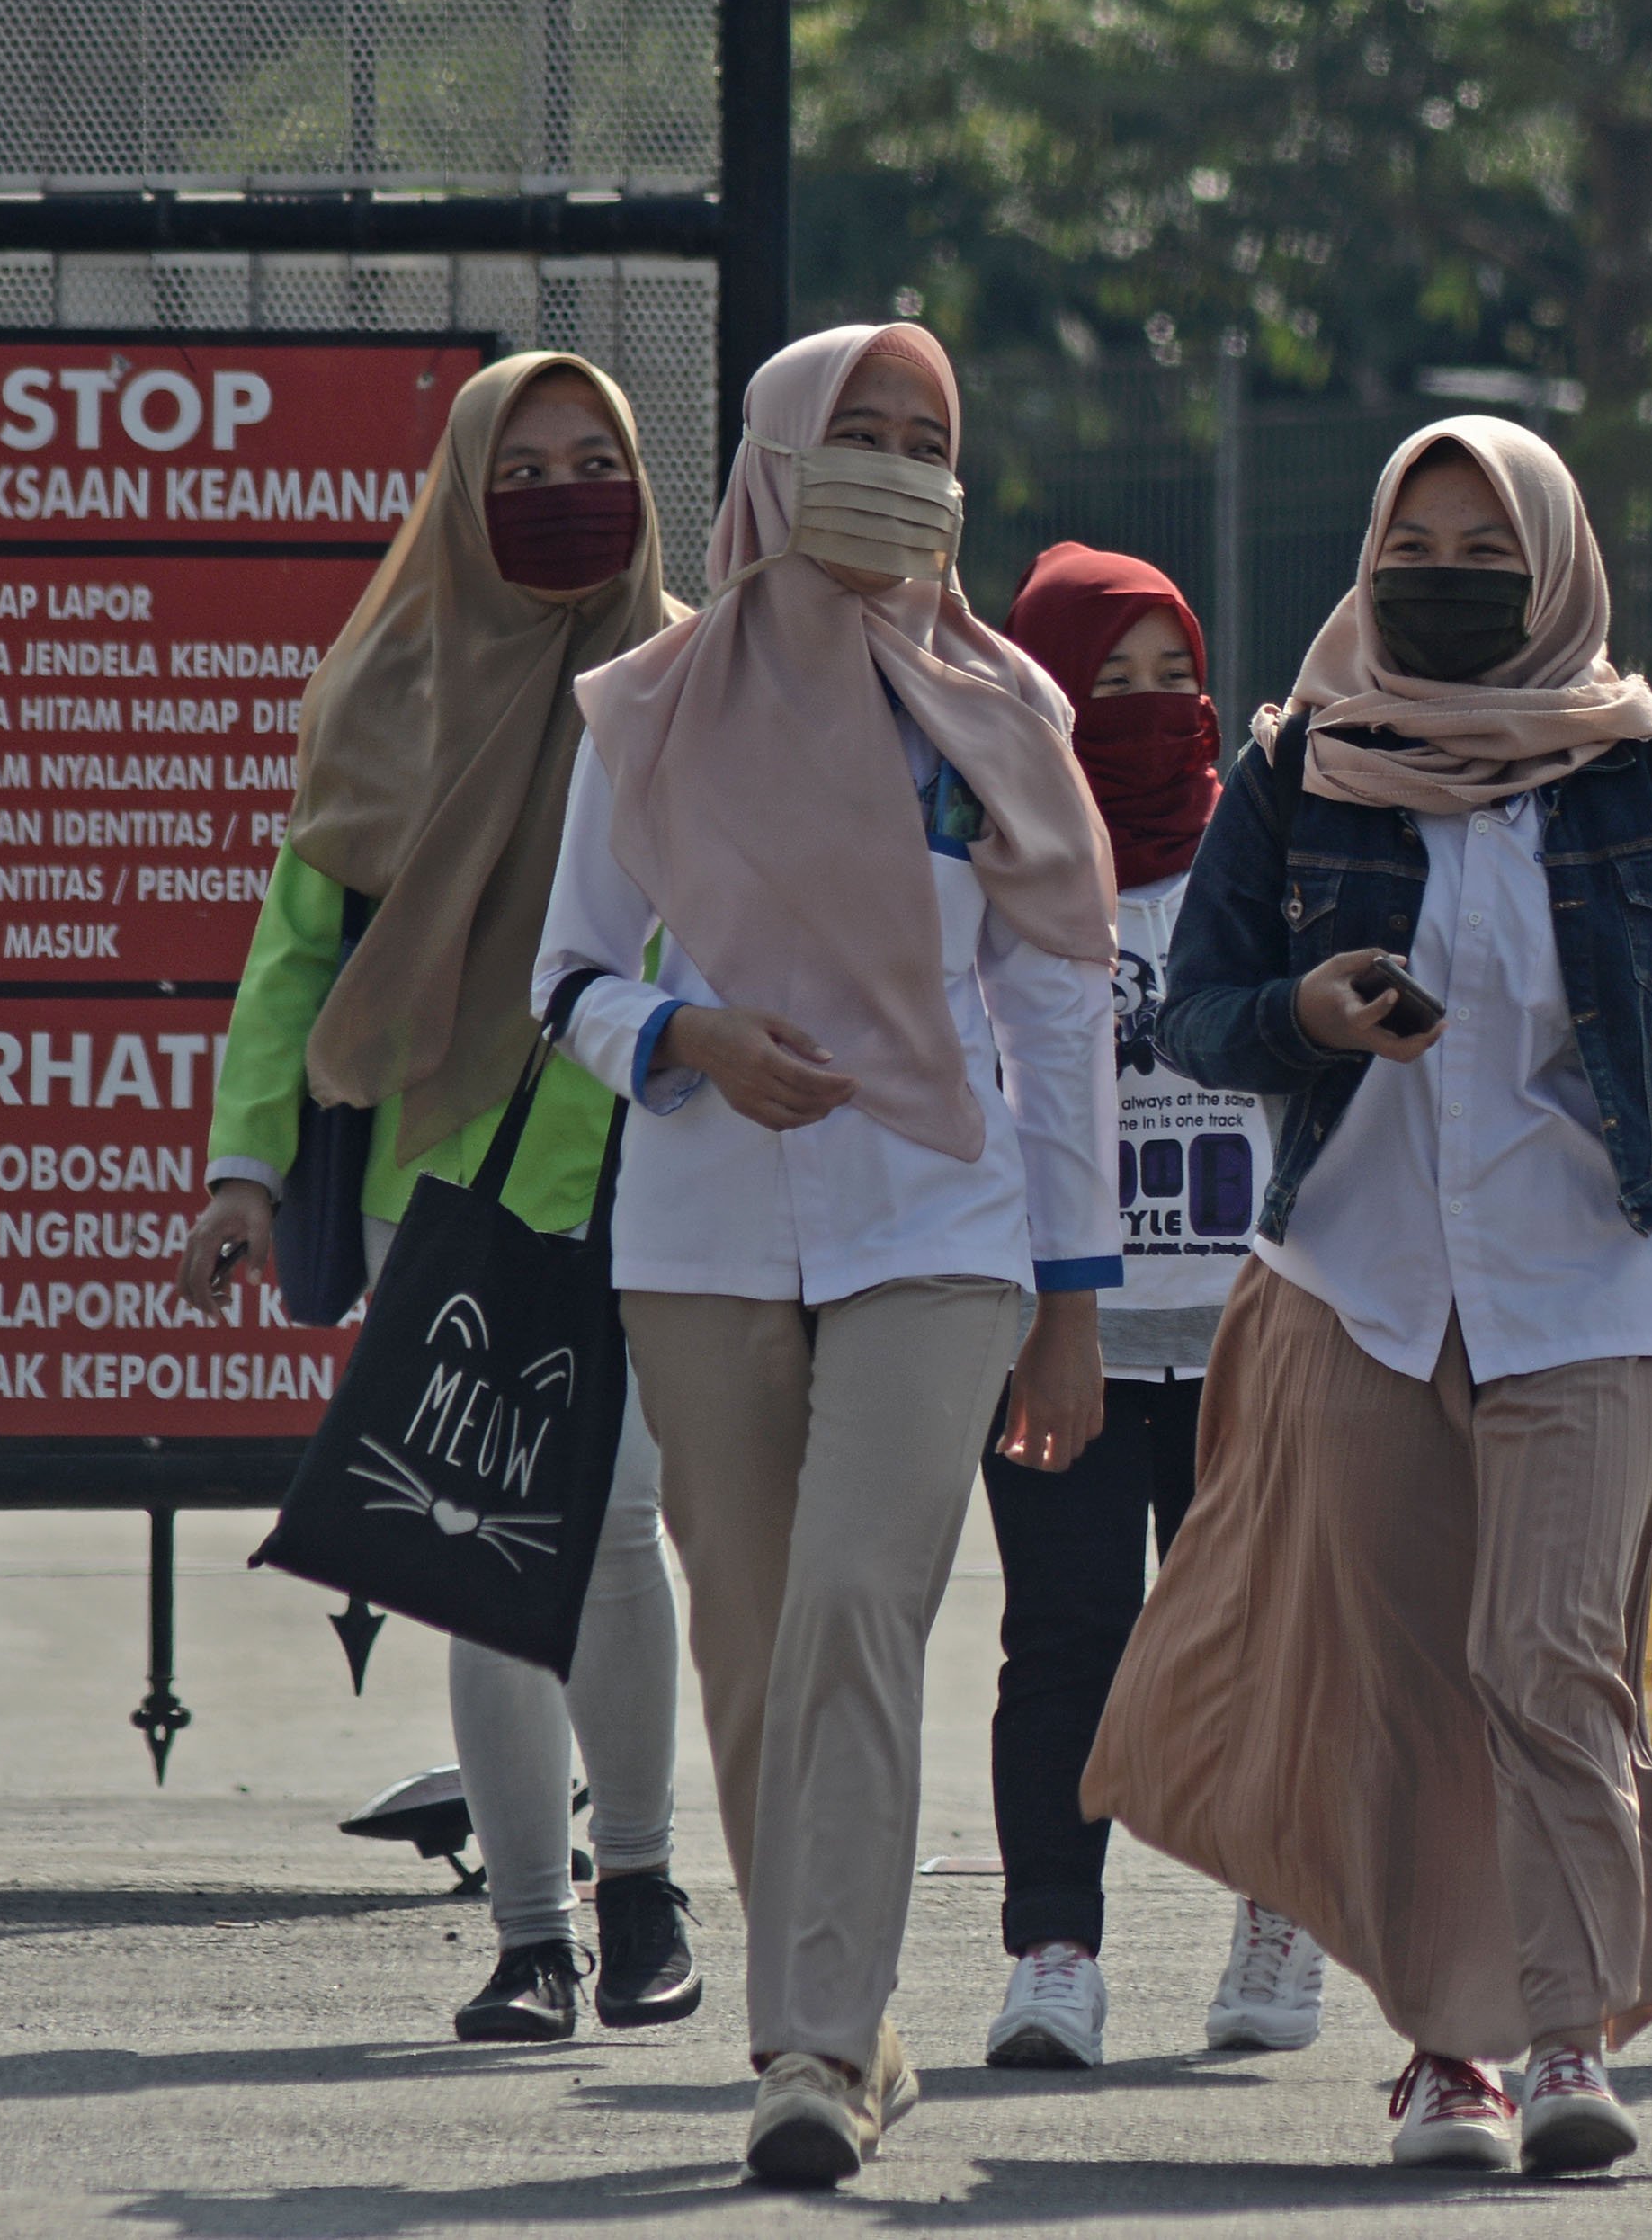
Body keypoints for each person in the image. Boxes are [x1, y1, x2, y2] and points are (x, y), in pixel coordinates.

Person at [1084, 415, 1652, 2178]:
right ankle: (1443, 2055)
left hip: (1588, 1272)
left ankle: (1563, 2035)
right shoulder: (1298, 756)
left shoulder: (1636, 771)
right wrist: (1302, 1015)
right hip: (1365, 1280)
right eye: (1417, 544)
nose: (1448, 579)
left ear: (1557, 567)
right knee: (1407, 1677)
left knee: (1543, 1653)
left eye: (1491, 554)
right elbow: (1192, 1005)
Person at [531, 322, 1120, 2189]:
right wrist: (681, 1043)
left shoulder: (1003, 705)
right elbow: (565, 981)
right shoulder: (647, 705)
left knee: (867, 1601)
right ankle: (849, 2017)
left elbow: (1061, 1006)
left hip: (936, 1227)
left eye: (922, 436)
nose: (888, 465)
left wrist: (1073, 1296)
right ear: (774, 459)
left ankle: (800, 2048)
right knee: (754, 1638)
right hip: (701, 1228)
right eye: (850, 433)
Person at [182, 351, 699, 2045]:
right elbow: (294, 955)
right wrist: (245, 1167)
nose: (565, 493)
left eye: (595, 458)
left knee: (615, 1529)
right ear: (466, 500)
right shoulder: (387, 688)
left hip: (657, 1162)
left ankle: (641, 1887)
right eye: (525, 466)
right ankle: (531, 1932)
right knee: (480, 1547)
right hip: (447, 1181)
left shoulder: (700, 675)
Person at [976, 541, 1322, 2070]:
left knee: (1262, 1632)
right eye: (1101, 678)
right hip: (1058, 1320)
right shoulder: (1000, 844)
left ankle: (1279, 1911)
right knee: (1065, 1633)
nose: (1144, 703)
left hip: (1252, 1315)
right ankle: (1054, 1950)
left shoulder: (1271, 840)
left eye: (1167, 670)